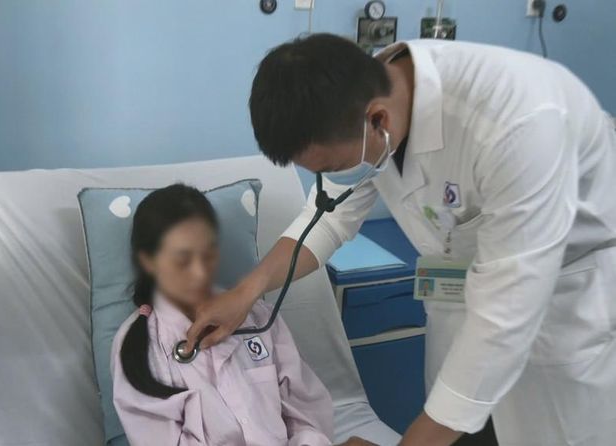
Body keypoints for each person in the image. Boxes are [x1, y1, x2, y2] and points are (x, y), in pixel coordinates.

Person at [185, 34, 616, 446]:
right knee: (457, 421)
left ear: (379, 121)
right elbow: (328, 218)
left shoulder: (521, 123)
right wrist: (247, 290)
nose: (329, 180)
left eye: (331, 168)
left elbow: (507, 314)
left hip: (562, 302)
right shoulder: (357, 103)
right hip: (462, 291)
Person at [110, 184, 375, 446]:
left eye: (208, 254)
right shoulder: (139, 347)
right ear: (148, 261)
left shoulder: (258, 317)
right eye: (182, 260)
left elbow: (307, 415)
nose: (200, 272)